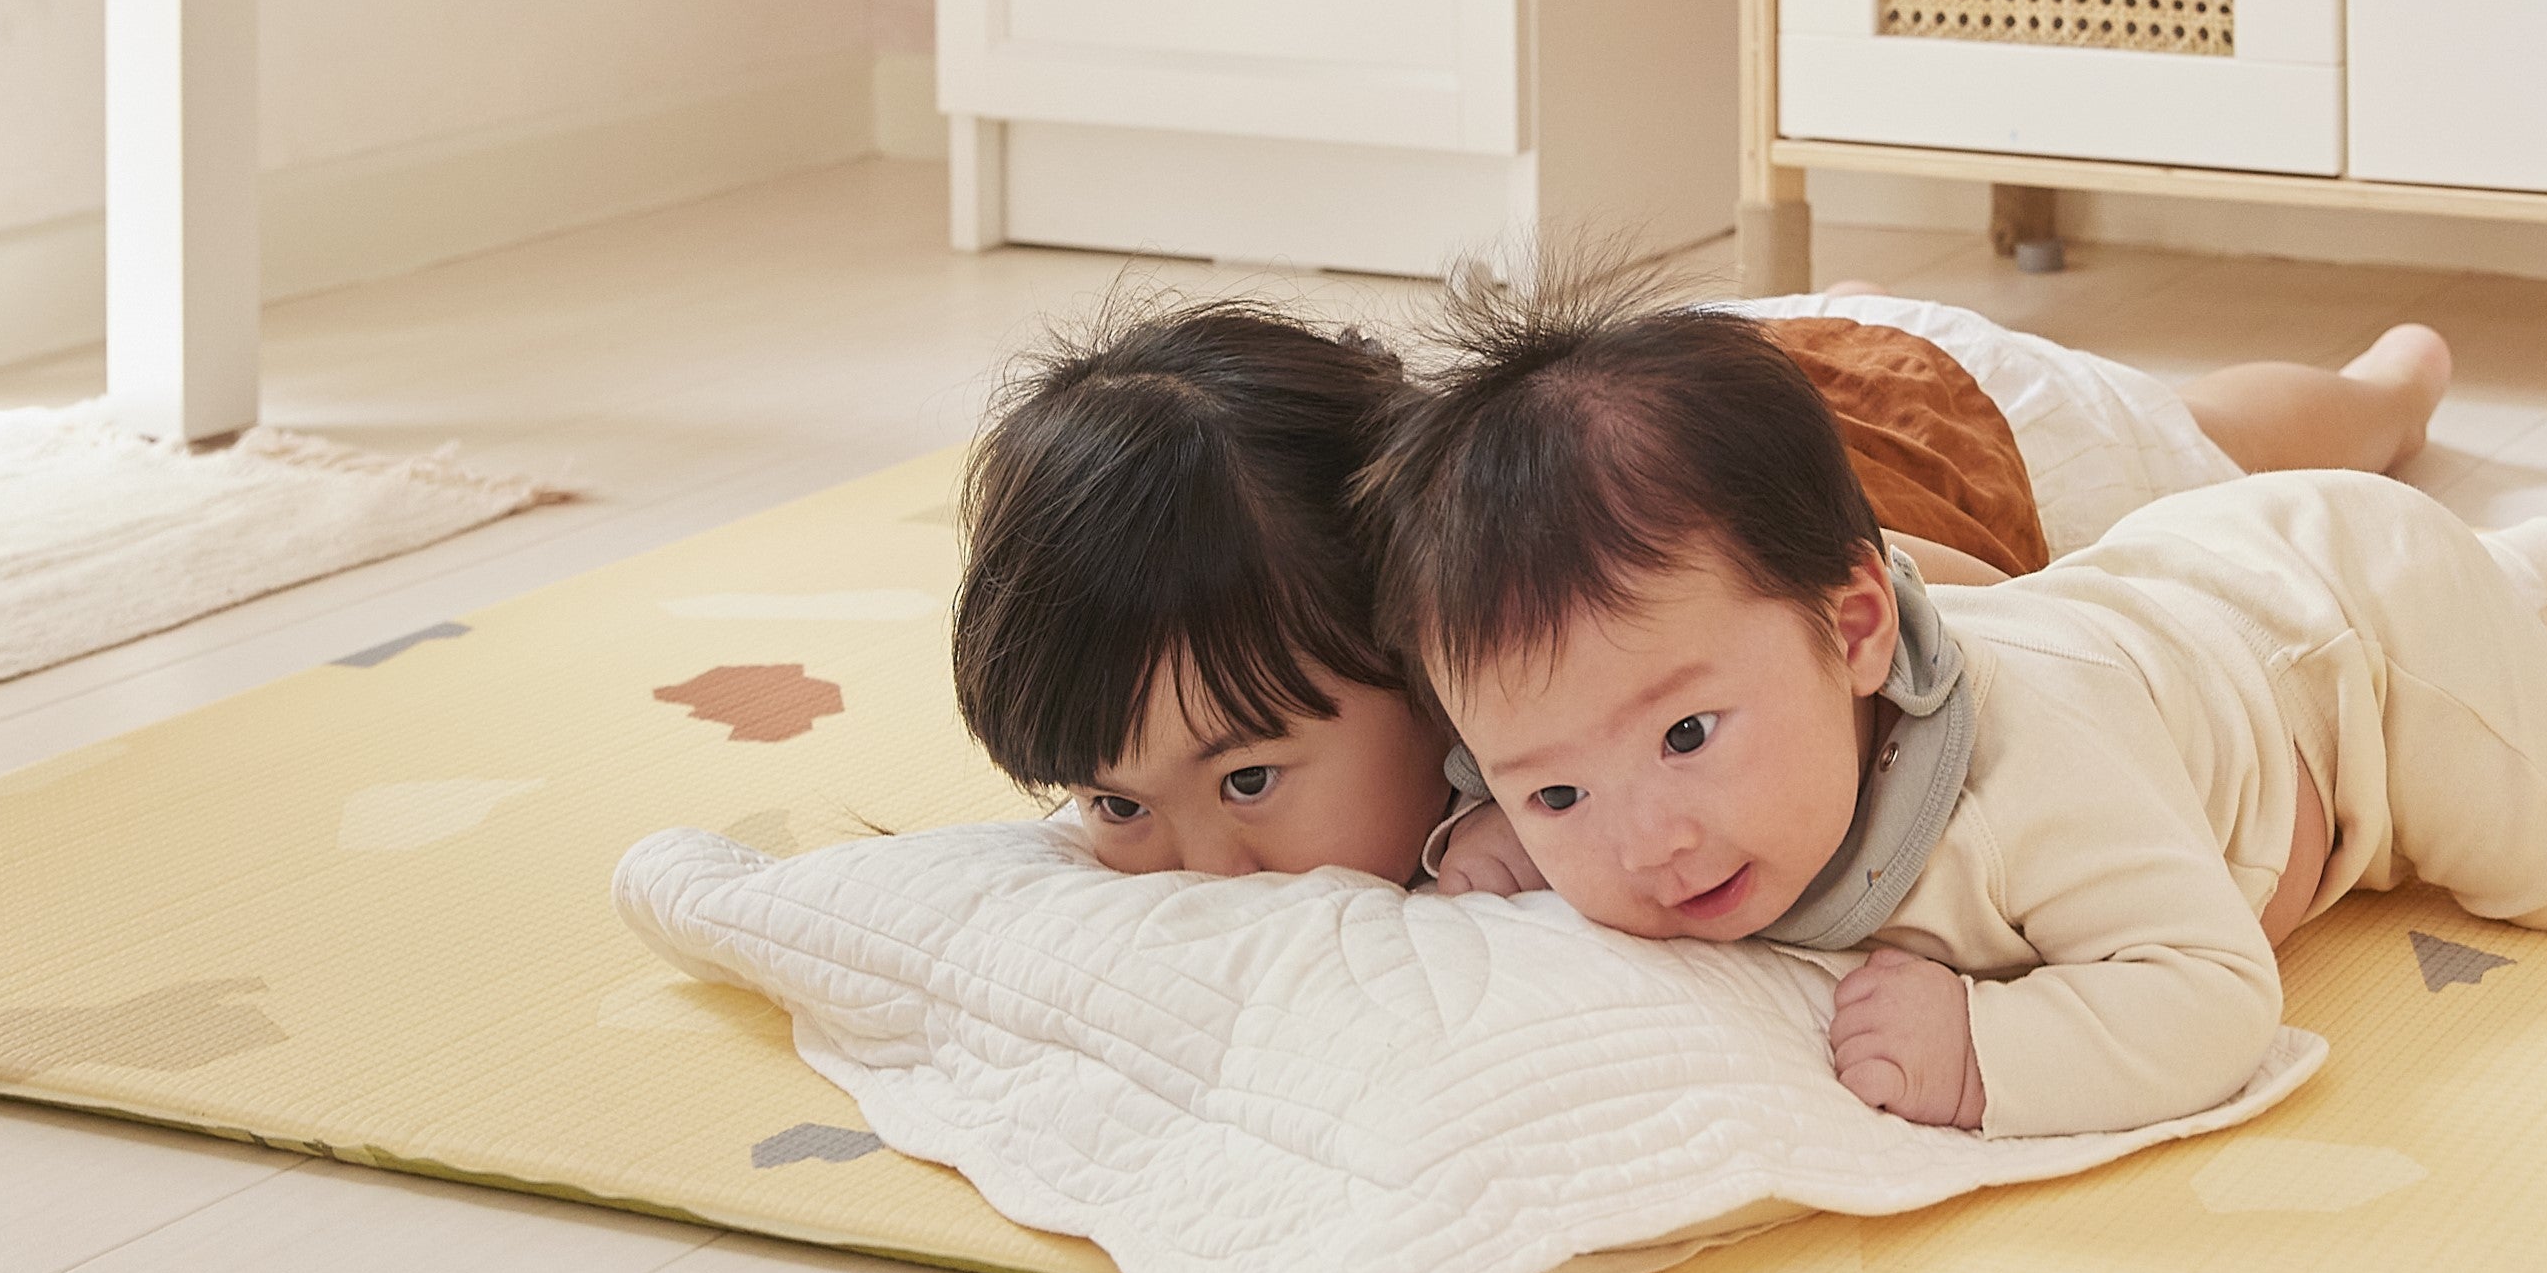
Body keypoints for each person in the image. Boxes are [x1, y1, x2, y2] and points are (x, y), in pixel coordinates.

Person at [1360, 276, 2547, 1139]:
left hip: (2357, 655)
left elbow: (2211, 994)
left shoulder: (2028, 789)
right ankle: (2546, 561)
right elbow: (1564, 756)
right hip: (2212, 577)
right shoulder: (1677, 739)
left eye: (1685, 740)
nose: (1647, 840)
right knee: (2466, 617)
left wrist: (1985, 1057)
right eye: (1555, 793)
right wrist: (1499, 830)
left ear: (1856, 629)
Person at [946, 285, 2456, 894]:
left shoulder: (1709, 638)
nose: (1200, 871)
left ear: (1415, 659)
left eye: (1253, 778)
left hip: (1924, 425)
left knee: (2221, 453)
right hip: (1649, 410)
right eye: (1115, 807)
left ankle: (2388, 387)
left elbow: (1989, 627)